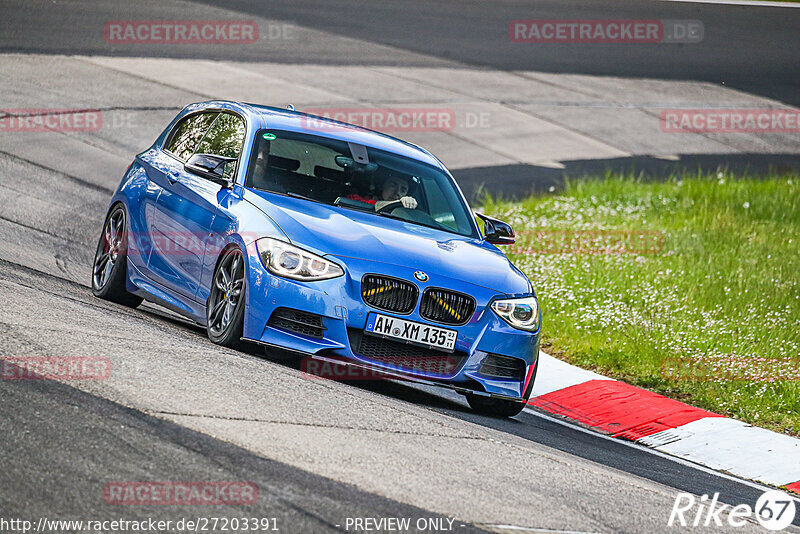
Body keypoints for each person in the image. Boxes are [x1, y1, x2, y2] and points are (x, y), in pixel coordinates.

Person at [347, 175, 418, 211]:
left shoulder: (406, 214)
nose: (397, 192)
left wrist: (409, 205)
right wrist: (397, 203)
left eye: (403, 190)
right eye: (393, 186)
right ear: (382, 186)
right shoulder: (355, 199)